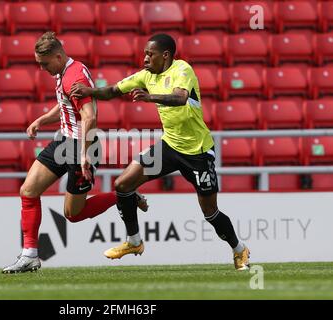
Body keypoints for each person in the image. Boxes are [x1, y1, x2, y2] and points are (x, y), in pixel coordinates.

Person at [70, 33, 250, 271]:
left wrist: (149, 97)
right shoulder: (145, 75)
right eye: (145, 53)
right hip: (169, 146)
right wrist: (90, 92)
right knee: (123, 184)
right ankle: (133, 241)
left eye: (150, 54)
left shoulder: (182, 70)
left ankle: (239, 249)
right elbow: (114, 90)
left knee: (210, 212)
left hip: (197, 152)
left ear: (165, 55)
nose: (145, 58)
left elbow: (180, 97)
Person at [2, 32, 148, 274]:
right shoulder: (64, 72)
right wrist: (42, 120)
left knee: (73, 214)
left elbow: (90, 116)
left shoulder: (74, 77)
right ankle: (29, 256)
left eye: (44, 64)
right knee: (28, 190)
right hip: (63, 140)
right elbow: (65, 105)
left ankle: (124, 197)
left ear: (58, 56)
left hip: (80, 146)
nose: (42, 68)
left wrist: (84, 155)